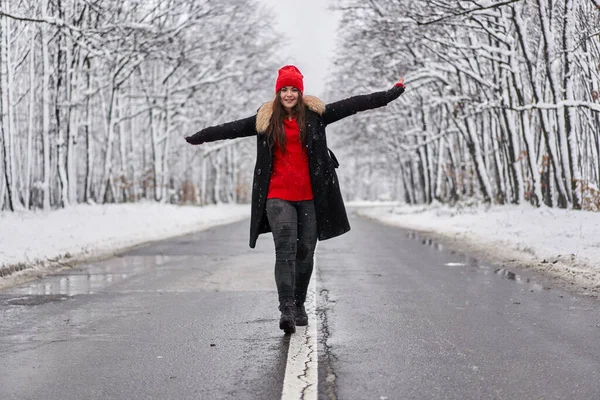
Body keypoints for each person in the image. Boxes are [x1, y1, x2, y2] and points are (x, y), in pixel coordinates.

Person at [185, 65, 406, 334]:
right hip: (277, 196)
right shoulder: (265, 120)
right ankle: (286, 308)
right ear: (278, 93)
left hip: (311, 196)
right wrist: (201, 137)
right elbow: (230, 129)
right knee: (285, 249)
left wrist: (390, 94)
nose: (288, 94)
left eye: (293, 89)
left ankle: (299, 303)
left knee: (305, 252)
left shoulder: (317, 115)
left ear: (301, 93)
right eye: (284, 89)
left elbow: (355, 104)